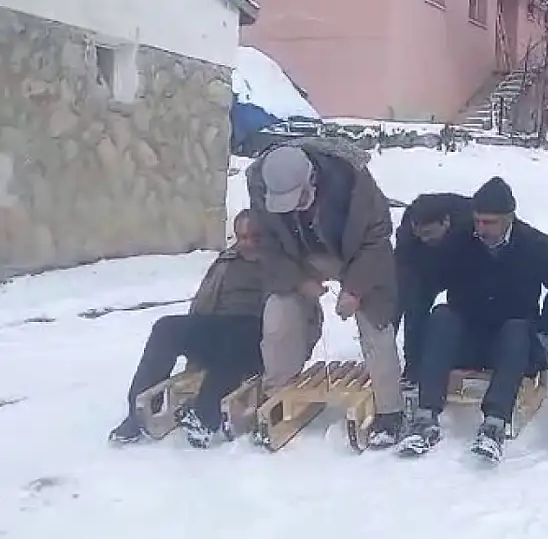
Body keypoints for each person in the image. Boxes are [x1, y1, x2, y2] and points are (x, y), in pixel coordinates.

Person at [245, 137, 405, 449]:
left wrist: (355, 290)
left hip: (357, 254)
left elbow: (377, 238)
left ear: (313, 181)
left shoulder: (353, 181)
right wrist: (299, 281)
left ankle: (390, 411)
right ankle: (278, 397)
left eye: (299, 198)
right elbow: (268, 246)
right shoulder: (260, 185)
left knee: (376, 326)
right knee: (277, 319)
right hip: (298, 257)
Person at [398, 177, 548, 462]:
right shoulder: (460, 241)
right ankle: (426, 416)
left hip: (512, 343)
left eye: (489, 222)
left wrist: (545, 334)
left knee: (517, 328)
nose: (481, 228)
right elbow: (426, 287)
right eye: (477, 221)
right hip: (468, 336)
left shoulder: (536, 245)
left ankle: (494, 422)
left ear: (508, 218)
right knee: (441, 316)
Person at [108, 210, 267, 449]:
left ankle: (204, 415)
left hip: (255, 335)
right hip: (218, 327)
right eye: (242, 237)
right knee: (166, 328)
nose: (248, 243)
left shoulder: (279, 262)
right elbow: (205, 298)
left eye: (255, 236)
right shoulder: (228, 260)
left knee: (235, 336)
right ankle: (138, 414)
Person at [393, 192, 473, 387]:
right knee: (412, 304)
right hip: (425, 269)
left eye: (428, 233)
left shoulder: (470, 219)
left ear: (446, 222)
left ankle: (467, 357)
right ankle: (413, 367)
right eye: (419, 234)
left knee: (462, 310)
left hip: (466, 266)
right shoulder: (409, 232)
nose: (423, 238)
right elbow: (401, 272)